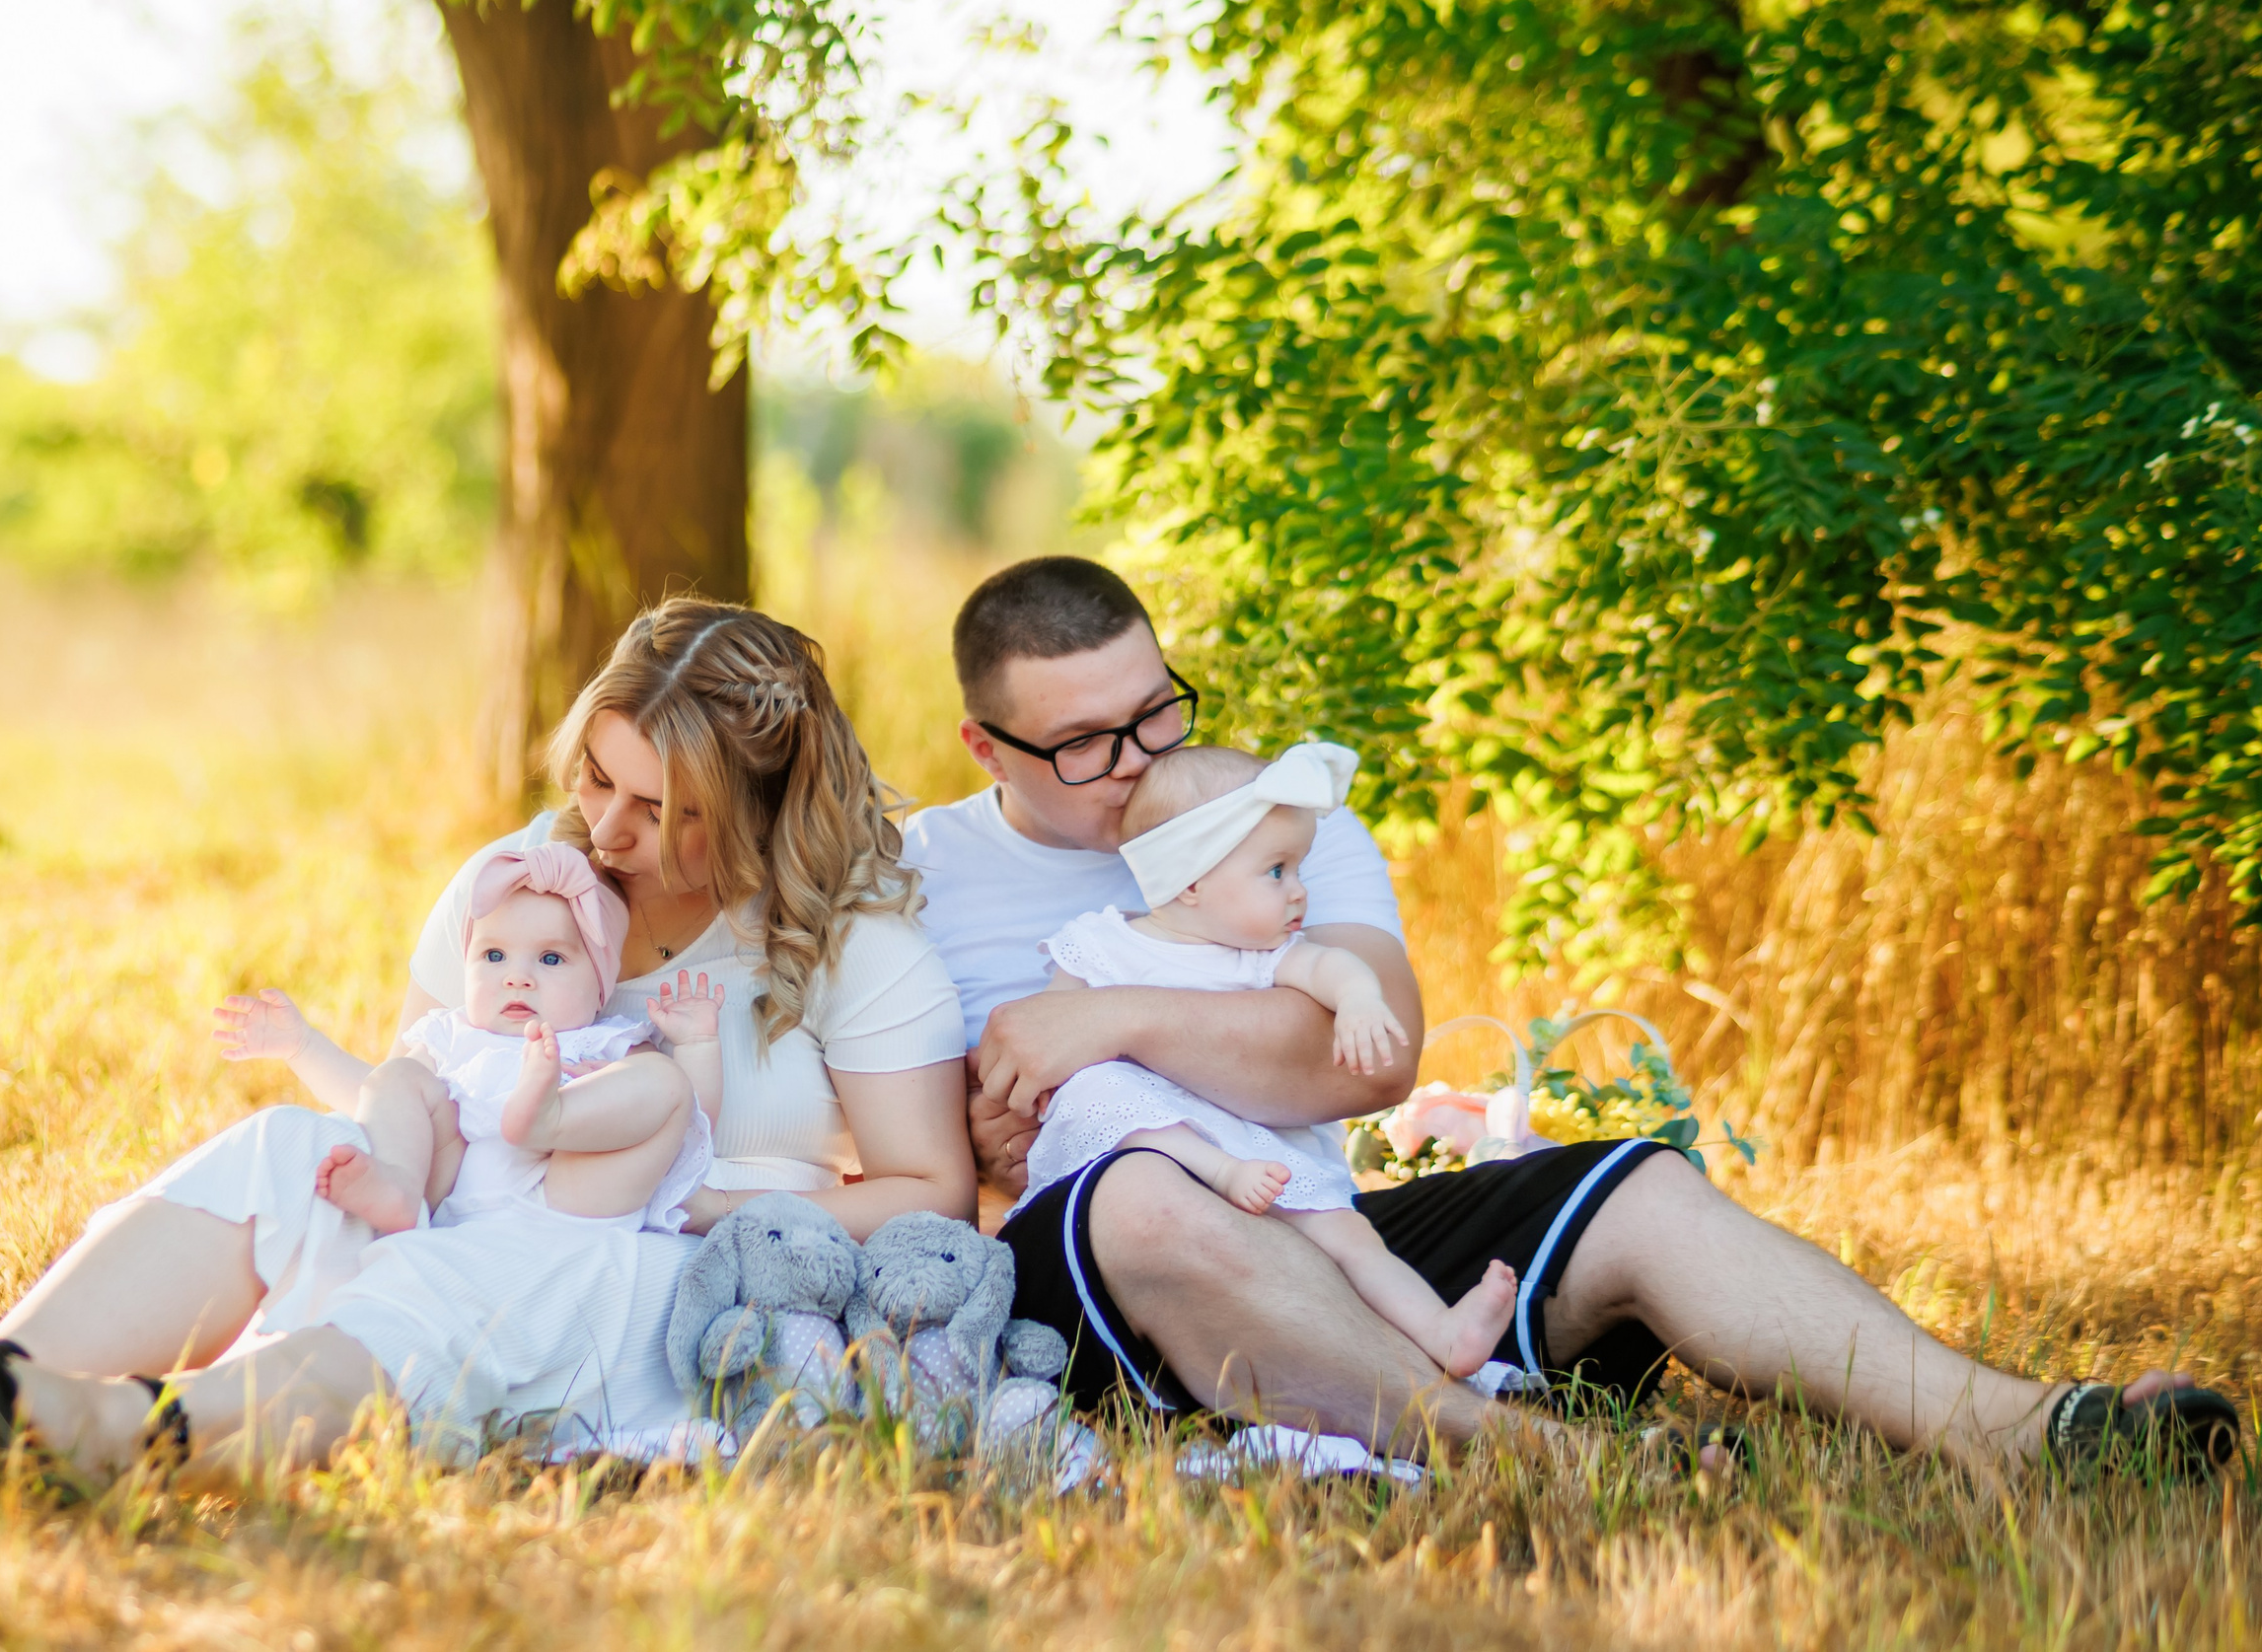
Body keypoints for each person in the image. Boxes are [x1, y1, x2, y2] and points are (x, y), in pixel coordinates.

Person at [904, 554, 2238, 1475]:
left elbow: (1357, 1064)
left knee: (1640, 1184)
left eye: (1157, 713)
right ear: (986, 745)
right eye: (1085, 745)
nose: (1139, 766)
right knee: (1143, 1195)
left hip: (1322, 1229)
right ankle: (1510, 1448)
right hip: (1094, 1275)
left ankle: (2016, 1426)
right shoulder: (920, 872)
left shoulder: (1276, 813)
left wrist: (1105, 1016)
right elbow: (909, 1142)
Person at [0, 601, 974, 1495]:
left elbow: (933, 1192)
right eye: (601, 779)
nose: (607, 830)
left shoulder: (849, 945)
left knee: (455, 1288)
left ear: (759, 806)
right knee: (289, 1150)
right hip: (471, 1198)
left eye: (663, 811)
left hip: (651, 1264)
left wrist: (692, 1206)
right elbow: (428, 1092)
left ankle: (98, 1435)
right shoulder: (521, 885)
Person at [1001, 739, 1518, 1381]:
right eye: (1277, 870)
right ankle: (1214, 1173)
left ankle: (1444, 1332)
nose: (1300, 893)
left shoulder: (1261, 956)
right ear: (1190, 880)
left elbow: (1332, 965)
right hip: (1156, 1161)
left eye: (1298, 868)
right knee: (1100, 1084)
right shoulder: (1100, 944)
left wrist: (1357, 999)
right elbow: (1054, 1036)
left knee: (1350, 1239)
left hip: (1262, 1156)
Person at [212, 845, 727, 1236]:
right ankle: (397, 1185)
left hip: (561, 1195)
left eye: (550, 959)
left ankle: (550, 1117)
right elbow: (368, 1097)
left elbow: (685, 1121)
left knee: (659, 1081)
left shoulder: (602, 1042)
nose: (517, 978)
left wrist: (698, 1045)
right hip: (451, 1194)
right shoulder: (452, 1037)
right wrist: (302, 1046)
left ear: (599, 987)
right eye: (494, 956)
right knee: (397, 1080)